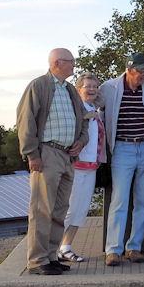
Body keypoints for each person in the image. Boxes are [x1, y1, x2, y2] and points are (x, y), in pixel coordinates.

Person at [17, 48, 87, 275]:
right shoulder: (39, 86)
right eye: (71, 62)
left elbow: (83, 119)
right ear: (57, 63)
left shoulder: (70, 89)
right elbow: (26, 120)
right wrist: (32, 154)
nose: (74, 66)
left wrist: (81, 141)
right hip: (47, 153)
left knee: (59, 209)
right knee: (42, 210)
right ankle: (37, 261)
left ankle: (51, 255)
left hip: (67, 155)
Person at [100, 52, 144, 266]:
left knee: (143, 200)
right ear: (129, 70)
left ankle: (134, 247)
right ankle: (113, 250)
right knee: (119, 199)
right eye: (140, 71)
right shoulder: (109, 87)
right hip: (122, 148)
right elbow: (89, 100)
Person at [58, 72, 106, 263]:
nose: (92, 89)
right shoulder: (75, 108)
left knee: (81, 209)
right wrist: (86, 117)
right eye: (88, 86)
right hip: (76, 165)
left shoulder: (95, 109)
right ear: (79, 89)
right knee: (70, 207)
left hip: (91, 165)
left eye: (95, 86)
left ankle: (66, 246)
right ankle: (53, 247)